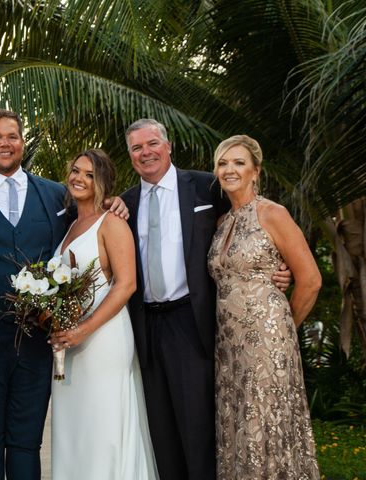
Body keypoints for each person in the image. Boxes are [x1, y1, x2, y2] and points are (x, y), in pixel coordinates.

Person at [0, 109, 127, 480]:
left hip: (38, 338)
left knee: (26, 441)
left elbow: (91, 218)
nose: (4, 144)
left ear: (23, 143)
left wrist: (115, 202)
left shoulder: (56, 195)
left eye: (12, 136)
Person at [120, 119, 291, 480]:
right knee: (160, 431)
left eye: (152, 144)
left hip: (191, 322)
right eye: (137, 148)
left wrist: (280, 268)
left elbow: (251, 220)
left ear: (167, 147)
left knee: (197, 430)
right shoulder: (125, 203)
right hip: (146, 326)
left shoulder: (204, 186)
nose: (145, 152)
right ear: (131, 156)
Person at [207, 135, 321, 478]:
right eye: (223, 163)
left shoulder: (273, 214)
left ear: (255, 171)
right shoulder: (222, 222)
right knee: (238, 422)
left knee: (265, 423)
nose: (230, 169)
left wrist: (283, 328)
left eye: (239, 163)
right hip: (229, 346)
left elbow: (311, 280)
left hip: (267, 345)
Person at [49, 149, 158, 479]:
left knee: (103, 423)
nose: (79, 179)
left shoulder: (112, 223)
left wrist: (83, 329)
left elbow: (126, 285)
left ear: (104, 184)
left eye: (89, 175)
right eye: (76, 171)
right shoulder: (69, 225)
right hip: (68, 343)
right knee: (74, 426)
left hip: (103, 338)